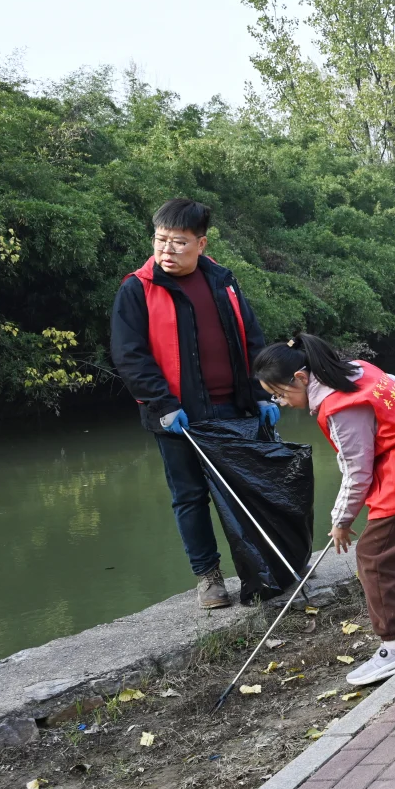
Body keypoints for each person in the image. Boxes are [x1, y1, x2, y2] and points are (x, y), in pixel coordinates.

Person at [252, 334, 395, 686]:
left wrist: (340, 520)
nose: (280, 402)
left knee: (373, 556)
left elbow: (356, 469)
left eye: (280, 394)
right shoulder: (357, 371)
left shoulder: (340, 406)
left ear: (301, 378)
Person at [111, 198, 278, 610]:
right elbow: (129, 354)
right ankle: (208, 577)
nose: (166, 250)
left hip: (235, 408)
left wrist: (261, 392)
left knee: (246, 490)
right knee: (189, 496)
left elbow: (251, 338)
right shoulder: (137, 288)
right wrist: (162, 402)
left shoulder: (223, 280)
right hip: (176, 416)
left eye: (178, 242)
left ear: (201, 244)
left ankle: (262, 572)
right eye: (160, 240)